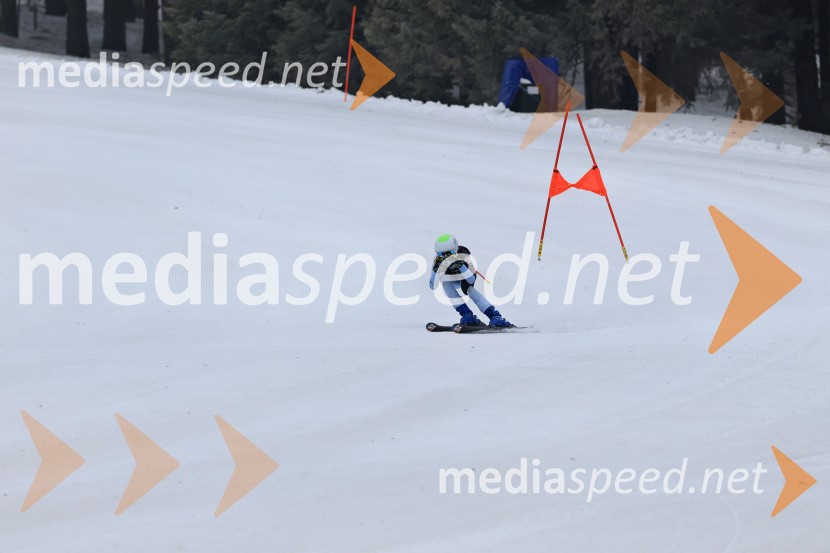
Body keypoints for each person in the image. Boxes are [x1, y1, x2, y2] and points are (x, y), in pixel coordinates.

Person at [428, 233, 513, 327]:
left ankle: (495, 316)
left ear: (455, 249)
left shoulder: (464, 255)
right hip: (451, 278)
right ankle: (467, 315)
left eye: (449, 253)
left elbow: (471, 280)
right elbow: (433, 286)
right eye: (441, 254)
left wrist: (461, 266)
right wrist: (436, 270)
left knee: (469, 289)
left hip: (465, 277)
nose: (445, 257)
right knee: (446, 283)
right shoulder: (437, 260)